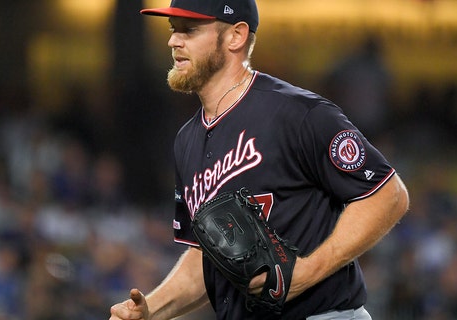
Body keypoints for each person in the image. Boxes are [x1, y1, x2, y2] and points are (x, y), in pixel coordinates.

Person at [109, 0, 409, 319]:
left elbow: (387, 195)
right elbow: (206, 259)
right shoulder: (187, 140)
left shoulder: (298, 114)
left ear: (236, 36)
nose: (173, 41)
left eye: (190, 29)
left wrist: (307, 272)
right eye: (173, 29)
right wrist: (151, 309)